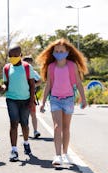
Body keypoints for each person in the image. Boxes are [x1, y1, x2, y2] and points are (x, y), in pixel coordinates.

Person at [37, 38, 87, 166]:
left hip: (69, 99)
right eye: (56, 51)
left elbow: (78, 82)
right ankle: (57, 155)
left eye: (61, 51)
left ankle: (65, 154)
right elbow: (48, 85)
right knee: (57, 127)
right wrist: (42, 102)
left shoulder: (72, 66)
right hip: (55, 99)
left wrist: (83, 98)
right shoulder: (51, 67)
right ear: (53, 52)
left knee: (66, 128)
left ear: (67, 51)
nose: (59, 53)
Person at [0, 46, 36, 162]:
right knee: (13, 124)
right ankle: (14, 150)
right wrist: (2, 87)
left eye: (15, 55)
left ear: (20, 55)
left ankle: (26, 142)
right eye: (10, 56)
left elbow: (32, 85)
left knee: (24, 124)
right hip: (11, 99)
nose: (13, 58)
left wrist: (31, 101)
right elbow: (6, 84)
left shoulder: (27, 67)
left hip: (25, 99)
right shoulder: (6, 68)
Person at [23, 56, 42, 138]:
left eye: (30, 63)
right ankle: (24, 130)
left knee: (33, 114)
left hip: (31, 96)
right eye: (26, 63)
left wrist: (33, 86)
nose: (28, 65)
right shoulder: (20, 71)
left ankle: (35, 131)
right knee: (23, 115)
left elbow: (40, 81)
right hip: (21, 96)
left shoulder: (34, 72)